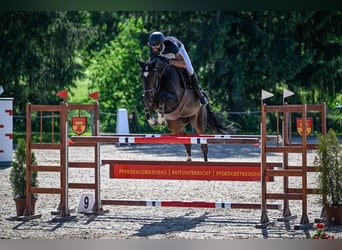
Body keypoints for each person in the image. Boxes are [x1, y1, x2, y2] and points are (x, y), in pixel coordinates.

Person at [148, 31, 208, 106]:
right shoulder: (153, 48)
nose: (154, 49)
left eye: (156, 47)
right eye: (153, 47)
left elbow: (183, 63)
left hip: (178, 51)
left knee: (190, 69)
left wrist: (169, 61)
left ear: (161, 43)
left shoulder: (171, 46)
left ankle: (200, 94)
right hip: (165, 57)